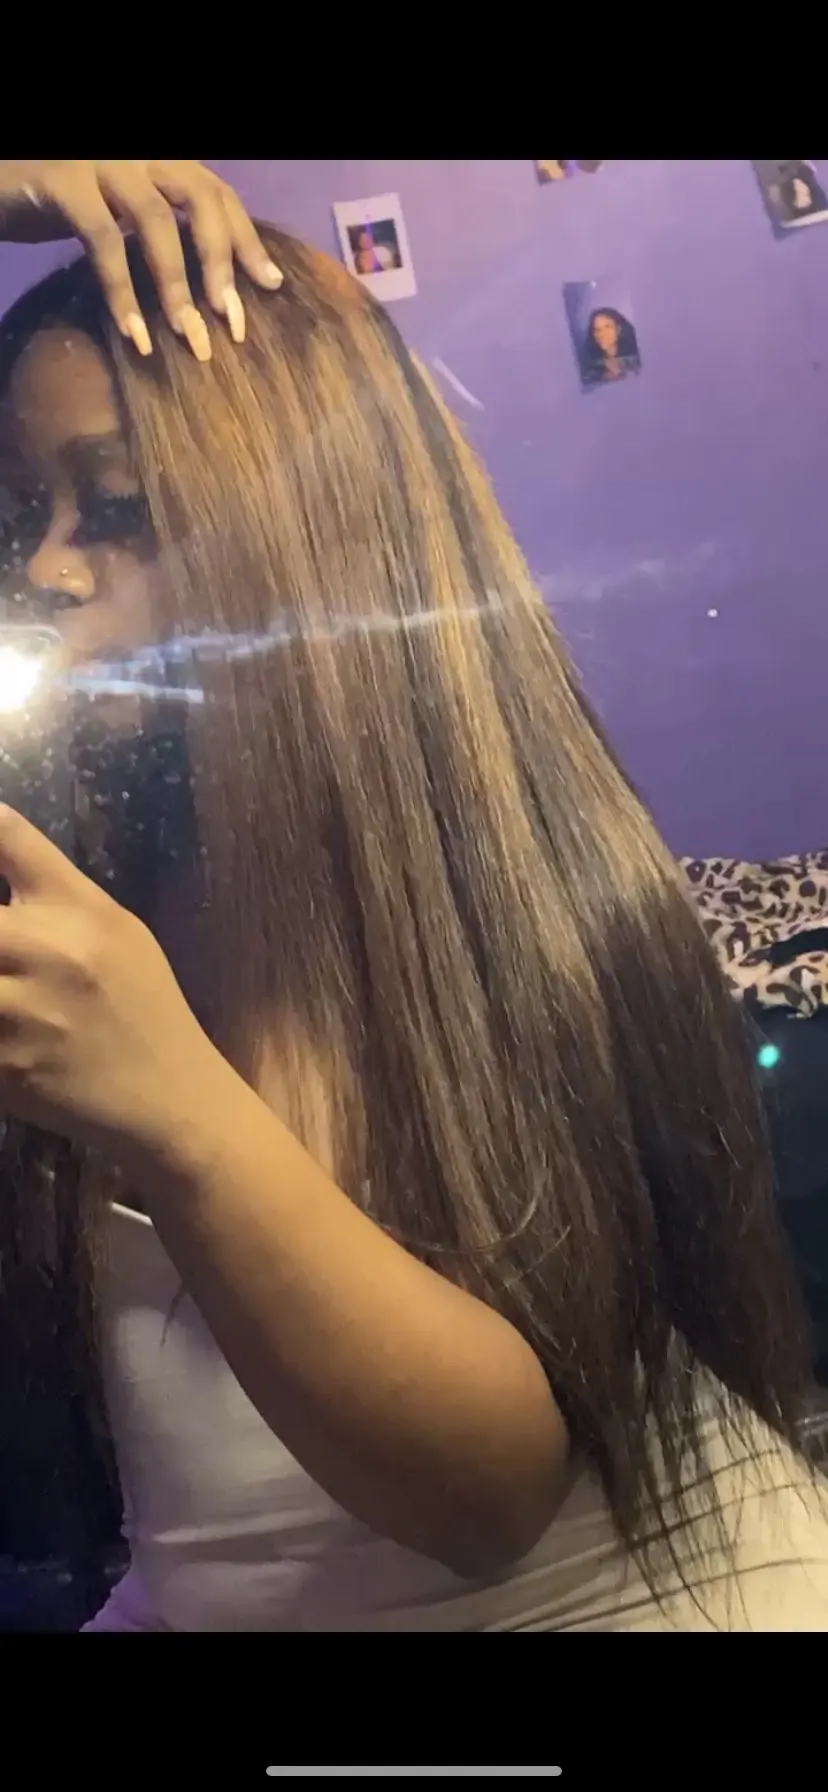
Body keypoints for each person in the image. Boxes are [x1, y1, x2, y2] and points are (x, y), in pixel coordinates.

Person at [0, 159, 826, 1633]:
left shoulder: (527, 898)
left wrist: (174, 1105)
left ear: (307, 541)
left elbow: (486, 1499)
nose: (50, 569)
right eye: (22, 516)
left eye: (115, 508)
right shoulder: (82, 860)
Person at [580, 306, 641, 385]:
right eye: (597, 330)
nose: (602, 334)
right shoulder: (592, 370)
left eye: (607, 327)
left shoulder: (636, 362)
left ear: (618, 329)